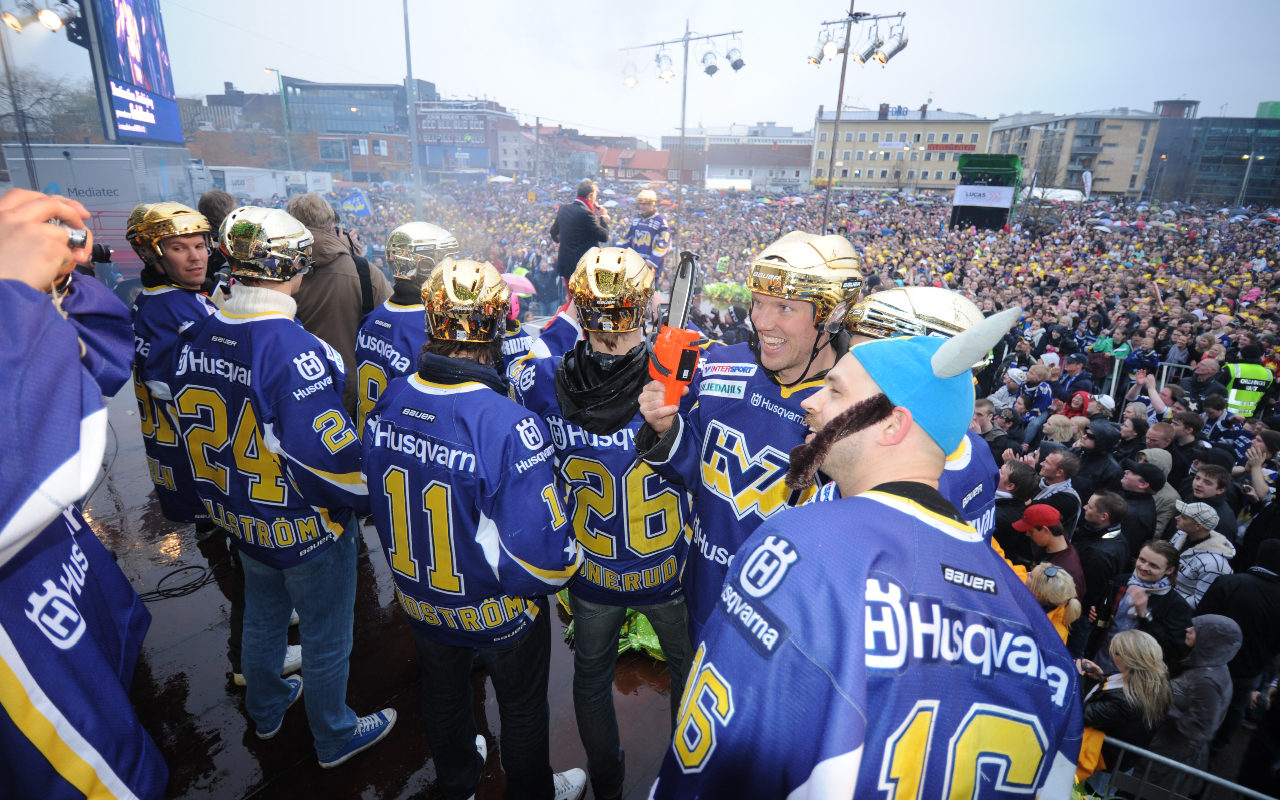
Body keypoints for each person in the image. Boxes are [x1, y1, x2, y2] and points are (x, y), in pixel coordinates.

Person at [649, 307, 1082, 798]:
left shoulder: (800, 552)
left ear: (893, 424)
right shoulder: (1036, 630)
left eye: (835, 390)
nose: (811, 402)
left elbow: (714, 765)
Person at [166, 206, 395, 768]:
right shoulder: (296, 350)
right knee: (325, 636)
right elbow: (328, 460)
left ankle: (267, 710)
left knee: (263, 614)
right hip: (302, 524)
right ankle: (335, 734)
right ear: (293, 266)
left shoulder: (195, 330)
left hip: (239, 512)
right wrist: (375, 495)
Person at [361, 257, 586, 800]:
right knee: (523, 706)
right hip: (497, 610)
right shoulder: (506, 422)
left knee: (442, 692)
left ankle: (458, 780)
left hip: (422, 596)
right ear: (498, 326)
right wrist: (572, 558)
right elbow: (542, 558)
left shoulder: (391, 396)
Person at [0, 187, 169, 800]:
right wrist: (13, 301)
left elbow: (103, 360)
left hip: (67, 607)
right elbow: (48, 452)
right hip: (43, 705)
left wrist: (54, 286)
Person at [512, 247, 691, 800]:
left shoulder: (540, 377)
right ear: (642, 305)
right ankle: (688, 774)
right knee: (690, 676)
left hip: (593, 569)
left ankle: (608, 786)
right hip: (667, 569)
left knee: (590, 681)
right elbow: (700, 472)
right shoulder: (681, 376)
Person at [636, 231, 863, 638]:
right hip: (705, 598)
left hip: (786, 630)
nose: (760, 320)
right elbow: (697, 473)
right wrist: (666, 429)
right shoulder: (720, 363)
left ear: (831, 315)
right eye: (758, 302)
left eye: (784, 307)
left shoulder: (859, 408)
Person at [126, 202, 218, 529]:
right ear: (154, 256)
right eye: (179, 248)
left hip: (180, 450)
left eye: (199, 245)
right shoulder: (172, 307)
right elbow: (171, 387)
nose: (196, 256)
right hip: (195, 457)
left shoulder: (157, 298)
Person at [285, 193, 393, 418]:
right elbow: (390, 329)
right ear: (333, 226)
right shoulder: (364, 273)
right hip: (352, 395)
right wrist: (356, 261)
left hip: (296, 394)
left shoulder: (277, 274)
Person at [352, 221, 458, 433]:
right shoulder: (429, 328)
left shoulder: (373, 317)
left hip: (370, 433)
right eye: (446, 262)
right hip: (402, 439)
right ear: (424, 266)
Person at [1195, 539, 1280, 753]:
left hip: (1208, 662)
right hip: (1249, 670)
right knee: (1234, 710)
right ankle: (1215, 750)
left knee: (1196, 705)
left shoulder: (1230, 583)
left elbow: (1200, 620)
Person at [1147, 615, 1242, 786]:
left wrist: (1158, 706)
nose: (1188, 630)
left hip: (1169, 760)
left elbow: (1200, 728)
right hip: (1165, 752)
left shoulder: (1208, 681)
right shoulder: (1206, 668)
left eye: (1196, 629)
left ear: (1210, 639)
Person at [1092, 541, 1192, 672]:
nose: (1144, 567)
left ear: (1169, 570)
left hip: (1132, 678)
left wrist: (1145, 615)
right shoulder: (1119, 582)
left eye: (1153, 565)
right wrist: (1093, 615)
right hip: (1098, 663)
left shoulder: (1176, 605)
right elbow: (1100, 619)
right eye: (1142, 559)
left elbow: (1170, 650)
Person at [1076, 629, 1173, 762]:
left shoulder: (1127, 701)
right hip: (1108, 752)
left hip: (1096, 758)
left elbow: (1080, 714)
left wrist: (1077, 679)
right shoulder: (1150, 682)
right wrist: (1101, 678)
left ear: (1129, 660)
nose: (1113, 656)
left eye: (1116, 653)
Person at [1012, 503, 1086, 601]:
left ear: (1046, 530)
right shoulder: (1047, 548)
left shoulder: (1067, 570)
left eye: (1031, 531)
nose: (1027, 535)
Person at [1169, 500, 1234, 608]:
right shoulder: (1181, 534)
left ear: (1198, 526)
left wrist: (1165, 595)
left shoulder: (1214, 565)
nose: (1177, 517)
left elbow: (1199, 603)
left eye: (1184, 517)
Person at [550, 180, 610, 283]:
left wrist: (565, 241)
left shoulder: (563, 209)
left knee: (571, 298)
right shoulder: (586, 214)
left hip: (566, 267)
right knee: (582, 299)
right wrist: (603, 217)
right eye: (595, 196)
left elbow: (553, 232)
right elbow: (603, 236)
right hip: (583, 270)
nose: (596, 199)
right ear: (590, 196)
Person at [619, 189, 671, 279]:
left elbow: (664, 244)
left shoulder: (660, 222)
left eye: (646, 204)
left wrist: (650, 262)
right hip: (634, 267)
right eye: (641, 204)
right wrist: (616, 251)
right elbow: (627, 239)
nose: (642, 206)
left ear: (653, 204)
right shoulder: (636, 220)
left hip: (650, 269)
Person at [1028, 562, 1083, 643]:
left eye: (1031, 576)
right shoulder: (1032, 590)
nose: (1026, 573)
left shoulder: (1054, 635)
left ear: (1039, 593)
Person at [1224, 343, 1275, 418]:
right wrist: (1253, 413)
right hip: (1247, 415)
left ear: (1243, 354)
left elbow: (1215, 388)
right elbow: (1265, 399)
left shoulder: (1231, 368)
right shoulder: (1268, 373)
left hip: (1223, 412)